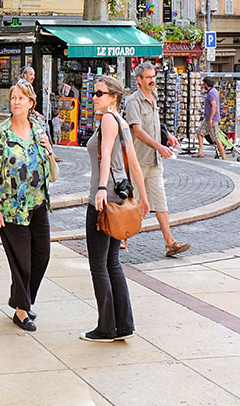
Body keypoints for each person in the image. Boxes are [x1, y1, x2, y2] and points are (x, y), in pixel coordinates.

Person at [82, 75, 150, 343]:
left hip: (103, 202)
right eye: (94, 93)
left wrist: (100, 189)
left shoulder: (109, 119)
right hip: (120, 199)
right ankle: (123, 325)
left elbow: (106, 153)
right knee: (113, 263)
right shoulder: (122, 123)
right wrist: (143, 199)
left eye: (99, 93)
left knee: (99, 266)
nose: (94, 98)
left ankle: (106, 328)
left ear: (113, 97)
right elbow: (133, 165)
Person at [0, 79, 53, 332]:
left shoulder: (37, 127)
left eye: (21, 98)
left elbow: (48, 161)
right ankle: (21, 311)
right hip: (12, 208)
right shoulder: (1, 133)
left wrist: (48, 148)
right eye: (13, 98)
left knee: (42, 255)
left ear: (30, 103)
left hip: (37, 203)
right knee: (21, 261)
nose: (16, 102)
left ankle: (22, 299)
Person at [125, 62, 191, 258]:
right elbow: (137, 130)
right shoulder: (132, 102)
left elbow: (155, 122)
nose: (152, 80)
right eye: (147, 77)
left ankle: (169, 242)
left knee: (161, 203)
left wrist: (167, 134)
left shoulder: (153, 97)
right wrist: (159, 146)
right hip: (137, 161)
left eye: (153, 76)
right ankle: (120, 239)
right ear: (139, 80)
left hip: (154, 162)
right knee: (130, 203)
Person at [21, 66, 61, 162]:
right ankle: (50, 152)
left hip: (28, 113)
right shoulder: (25, 86)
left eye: (33, 75)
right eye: (31, 74)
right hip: (25, 115)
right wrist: (36, 114)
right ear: (24, 75)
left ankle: (50, 152)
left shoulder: (23, 85)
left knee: (45, 126)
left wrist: (35, 113)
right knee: (44, 128)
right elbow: (27, 104)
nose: (33, 77)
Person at [194, 76, 226, 160]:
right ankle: (200, 152)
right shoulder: (214, 91)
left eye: (203, 83)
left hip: (212, 119)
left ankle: (224, 156)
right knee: (200, 132)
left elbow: (214, 106)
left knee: (216, 138)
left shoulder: (211, 93)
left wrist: (211, 118)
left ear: (206, 84)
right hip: (208, 118)